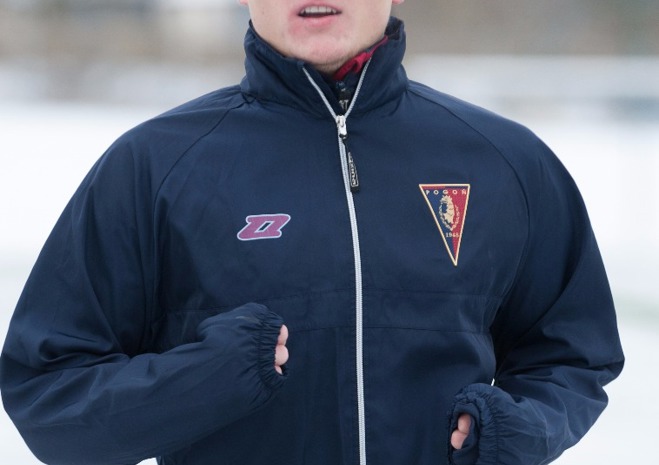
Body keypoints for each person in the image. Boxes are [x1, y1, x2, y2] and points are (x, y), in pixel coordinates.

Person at [0, 1, 624, 464]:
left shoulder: (504, 160)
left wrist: (517, 429)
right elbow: (49, 397)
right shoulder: (154, 166)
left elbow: (572, 355)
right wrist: (205, 380)